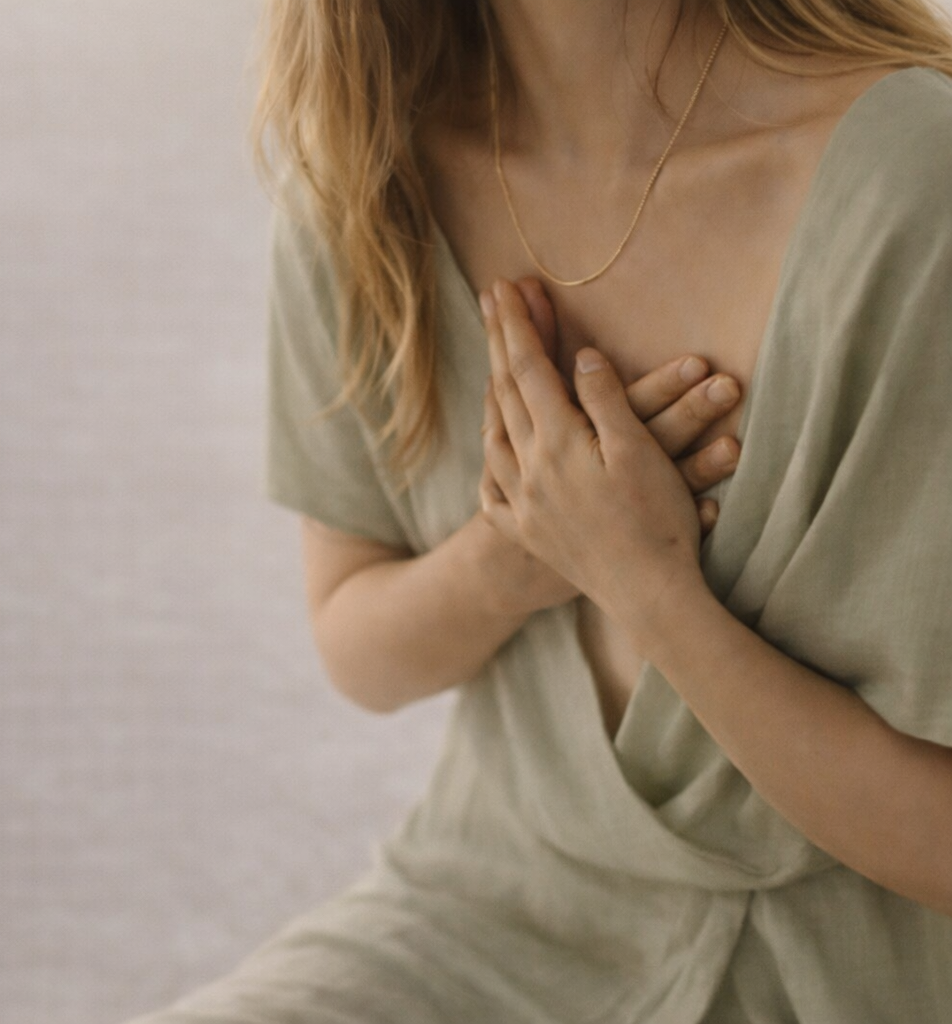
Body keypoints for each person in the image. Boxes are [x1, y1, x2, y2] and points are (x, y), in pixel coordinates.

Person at [123, 0, 952, 1021]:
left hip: (840, 969)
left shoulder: (917, 186)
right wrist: (515, 552)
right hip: (479, 920)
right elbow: (356, 644)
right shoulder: (363, 166)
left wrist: (646, 587)